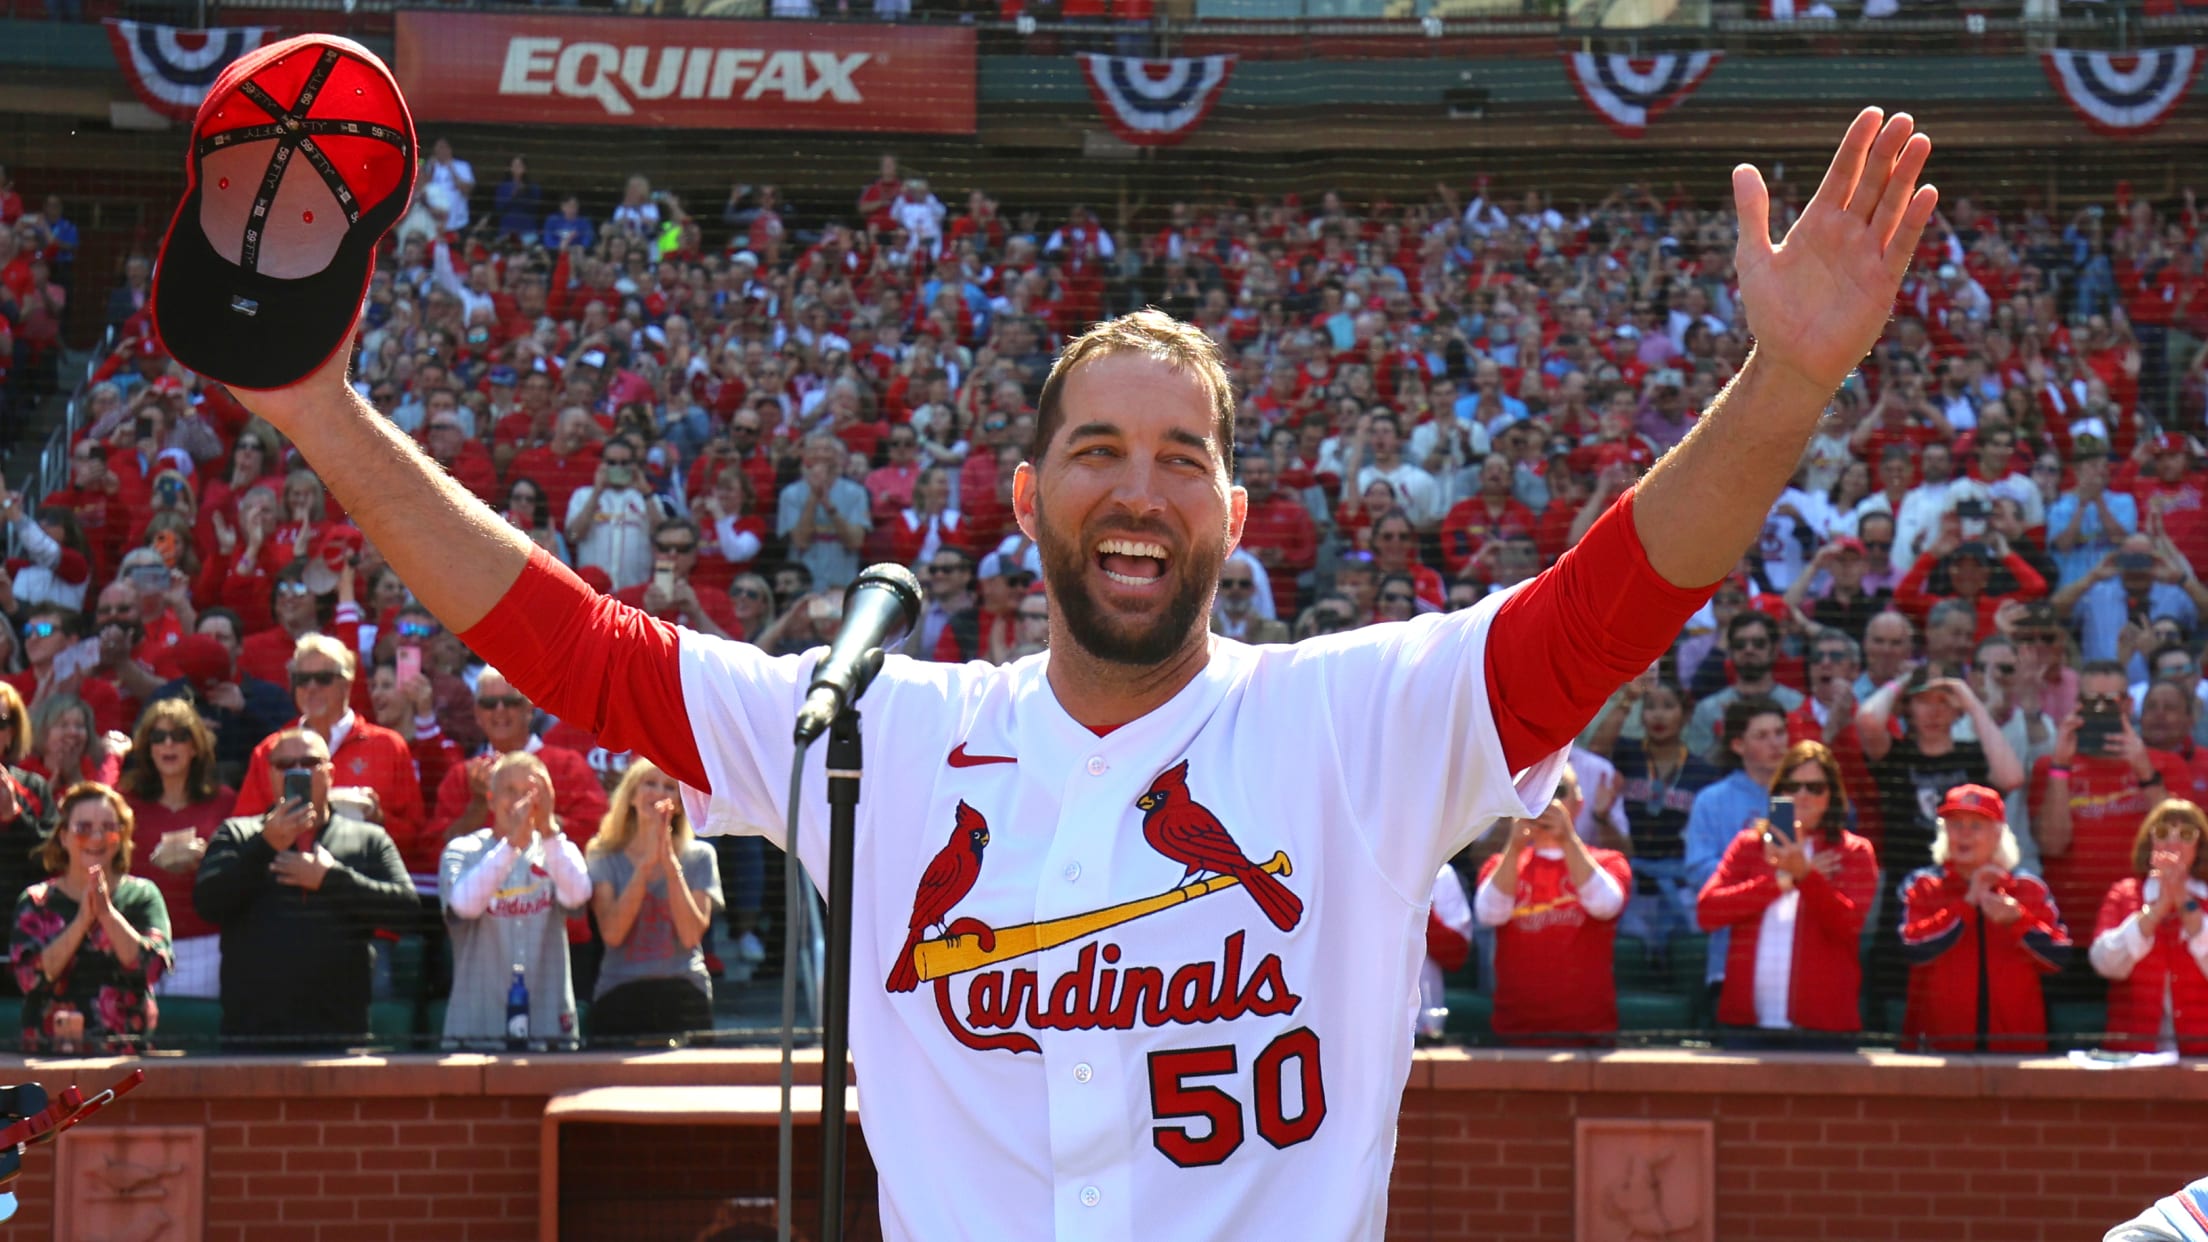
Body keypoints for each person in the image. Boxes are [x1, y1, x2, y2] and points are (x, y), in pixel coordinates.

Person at [233, 109, 1934, 1236]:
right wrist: (322, 413)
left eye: (1183, 456)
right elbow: (573, 648)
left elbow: (1600, 609)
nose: (1140, 488)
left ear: (1237, 509)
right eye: (1101, 450)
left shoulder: (1353, 715)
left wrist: (1781, 384)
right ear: (1029, 492)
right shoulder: (870, 730)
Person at [193, 727, 417, 1048]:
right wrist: (265, 846)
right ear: (269, 774)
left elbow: (407, 913)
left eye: (309, 762)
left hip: (341, 1034)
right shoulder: (237, 834)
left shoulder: (368, 839)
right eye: (284, 765)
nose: (296, 771)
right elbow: (208, 904)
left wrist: (331, 879)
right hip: (252, 1036)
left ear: (330, 773)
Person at [1695, 740, 1879, 1046]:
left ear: (1830, 795)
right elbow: (1707, 912)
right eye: (1793, 786)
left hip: (1823, 1027)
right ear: (1779, 791)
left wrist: (1806, 875)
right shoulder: (1749, 845)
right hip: (1746, 1026)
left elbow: (1848, 926)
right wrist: (1782, 881)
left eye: (1815, 787)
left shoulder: (1853, 852)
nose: (1803, 795)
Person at [231, 635, 429, 873]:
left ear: (347, 684)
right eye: (302, 680)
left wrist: (379, 819)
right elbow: (243, 830)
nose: (311, 688)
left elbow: (416, 836)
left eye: (323, 679)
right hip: (288, 886)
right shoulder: (271, 750)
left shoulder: (389, 746)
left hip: (364, 883)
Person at [1898, 783, 2069, 1052]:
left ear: (1998, 835)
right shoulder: (1924, 885)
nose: (1964, 835)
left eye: (1976, 826)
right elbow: (1912, 948)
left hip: (2016, 1052)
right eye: (1955, 825)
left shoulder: (2027, 889)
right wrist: (1966, 904)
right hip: (1940, 1050)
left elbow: (2059, 957)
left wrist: (2018, 921)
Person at [438, 751, 591, 1050]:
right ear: (492, 799)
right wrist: (511, 846)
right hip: (477, 1027)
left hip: (548, 1029)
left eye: (530, 792)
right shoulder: (463, 850)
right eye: (510, 791)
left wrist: (547, 831)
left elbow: (578, 895)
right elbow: (464, 905)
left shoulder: (558, 849)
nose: (520, 802)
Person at [9, 782, 172, 1053]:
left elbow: (154, 967)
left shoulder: (143, 895)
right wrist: (82, 920)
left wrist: (106, 914)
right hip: (49, 1055)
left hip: (126, 1057)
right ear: (63, 836)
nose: (96, 837)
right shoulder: (36, 901)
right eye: (83, 828)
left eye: (108, 828)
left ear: (120, 837)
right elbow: (29, 977)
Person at [1472, 765, 1630, 1044]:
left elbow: (1606, 906)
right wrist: (1515, 846)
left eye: (1558, 791)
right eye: (1535, 793)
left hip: (1588, 1034)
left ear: (1578, 804)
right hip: (1514, 1033)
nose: (1546, 801)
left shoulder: (1609, 862)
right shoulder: (1500, 864)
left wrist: (1567, 840)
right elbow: (1488, 914)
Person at [585, 759, 722, 1044]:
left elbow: (690, 934)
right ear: (631, 796)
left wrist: (671, 866)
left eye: (670, 787)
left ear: (681, 804)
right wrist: (645, 867)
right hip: (619, 992)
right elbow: (612, 934)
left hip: (684, 991)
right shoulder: (602, 855)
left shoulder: (700, 856)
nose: (659, 792)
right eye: (649, 783)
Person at [117, 699, 234, 999]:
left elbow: (241, 867)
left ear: (195, 746)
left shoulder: (224, 801)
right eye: (158, 737)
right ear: (148, 747)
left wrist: (208, 860)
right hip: (137, 939)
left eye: (179, 736)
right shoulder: (124, 801)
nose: (168, 744)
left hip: (204, 944)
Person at [2088, 798, 2208, 1053]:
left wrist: (2184, 901)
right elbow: (2104, 963)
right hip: (2135, 1054)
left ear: (2199, 846)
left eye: (2185, 834)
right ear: (2150, 841)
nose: (2172, 843)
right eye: (2163, 832)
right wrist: (2158, 908)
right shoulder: (2124, 894)